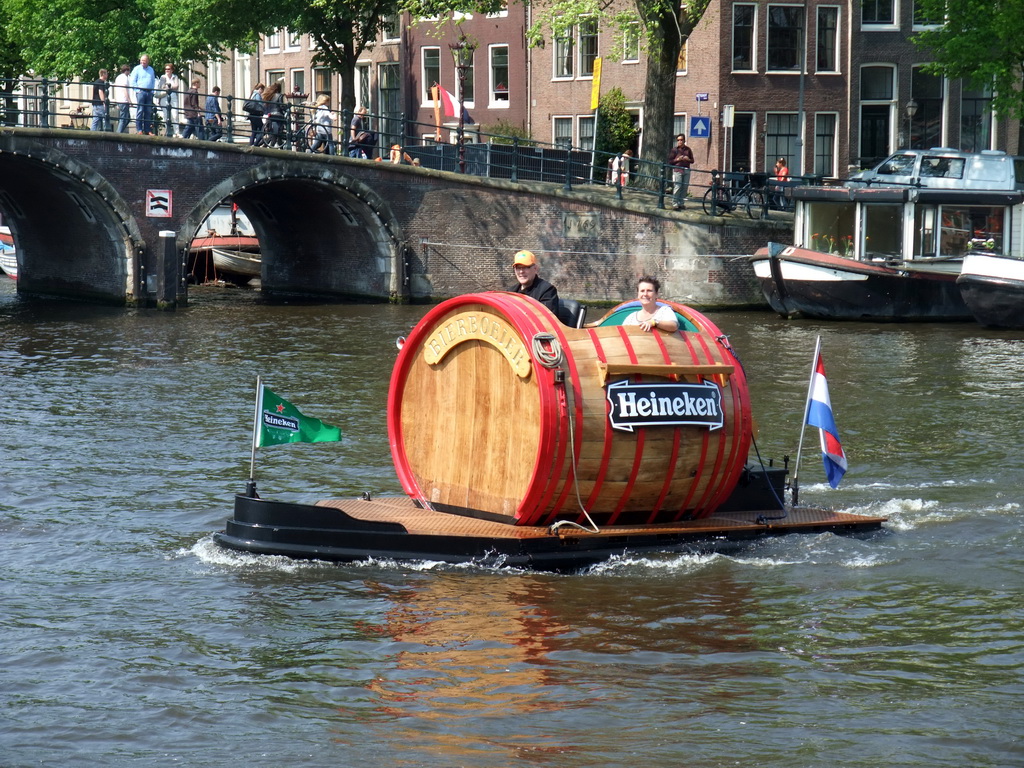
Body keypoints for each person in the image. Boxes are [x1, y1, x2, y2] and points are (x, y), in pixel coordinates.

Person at [507, 250, 558, 314]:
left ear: (535, 268)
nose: (521, 271)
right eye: (518, 268)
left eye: (526, 267)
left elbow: (546, 319)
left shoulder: (547, 291)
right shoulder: (511, 292)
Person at [129, 54, 157, 135]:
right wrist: (137, 90)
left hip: (149, 92)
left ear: (148, 61)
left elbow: (153, 81)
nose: (142, 62)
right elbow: (132, 81)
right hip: (141, 92)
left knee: (148, 111)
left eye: (144, 61)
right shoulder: (137, 69)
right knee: (140, 110)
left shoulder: (151, 70)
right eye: (141, 60)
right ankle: (139, 130)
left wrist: (152, 91)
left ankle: (147, 130)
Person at [668, 134, 694, 210]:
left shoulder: (688, 149)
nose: (680, 141)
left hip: (686, 169)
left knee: (685, 187)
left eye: (681, 140)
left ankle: (681, 203)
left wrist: (688, 159)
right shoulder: (674, 150)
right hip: (678, 170)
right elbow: (670, 161)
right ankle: (675, 203)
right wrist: (678, 159)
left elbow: (692, 160)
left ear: (684, 140)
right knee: (678, 186)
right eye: (678, 140)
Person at [157, 64, 180, 137]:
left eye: (168, 69)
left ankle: (176, 132)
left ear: (172, 70)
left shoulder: (175, 77)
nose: (167, 70)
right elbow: (162, 86)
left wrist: (168, 86)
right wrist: (169, 87)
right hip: (164, 97)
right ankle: (168, 131)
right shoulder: (163, 77)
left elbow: (176, 86)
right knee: (166, 115)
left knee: (175, 114)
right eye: (166, 69)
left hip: (173, 97)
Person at [261, 81, 285, 147]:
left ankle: (274, 144)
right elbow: (281, 106)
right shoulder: (279, 95)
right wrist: (286, 109)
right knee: (285, 122)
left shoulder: (270, 96)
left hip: (271, 115)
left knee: (273, 132)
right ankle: (282, 141)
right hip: (278, 115)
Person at [112, 64, 131, 133]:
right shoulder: (124, 78)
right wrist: (129, 100)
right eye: (129, 70)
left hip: (119, 100)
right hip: (124, 100)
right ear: (127, 70)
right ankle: (118, 133)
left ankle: (120, 131)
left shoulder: (118, 77)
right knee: (123, 118)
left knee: (128, 118)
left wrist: (117, 101)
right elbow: (124, 89)